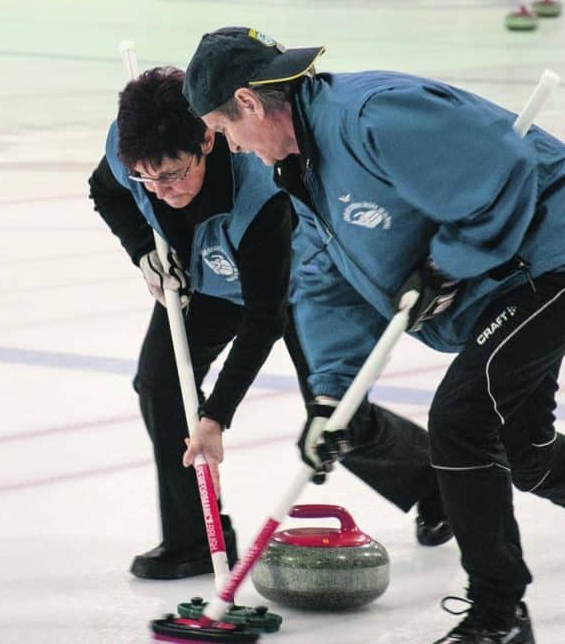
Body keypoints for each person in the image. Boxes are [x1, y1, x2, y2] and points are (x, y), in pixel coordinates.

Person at [182, 27, 565, 643]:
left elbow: (505, 170)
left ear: (252, 103)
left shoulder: (373, 116)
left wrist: (448, 262)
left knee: (462, 419)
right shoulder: (303, 170)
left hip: (563, 255)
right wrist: (330, 398)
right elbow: (326, 283)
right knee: (520, 445)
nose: (232, 146)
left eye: (224, 128)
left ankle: (498, 616)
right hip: (505, 280)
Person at [88, 66, 453, 582]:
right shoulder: (132, 153)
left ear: (208, 139)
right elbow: (105, 191)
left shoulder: (257, 194)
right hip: (207, 277)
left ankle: (435, 484)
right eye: (148, 177)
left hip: (296, 285)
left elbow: (264, 317)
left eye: (173, 175)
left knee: (333, 418)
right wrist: (143, 250)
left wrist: (216, 418)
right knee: (160, 384)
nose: (162, 190)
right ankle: (194, 537)